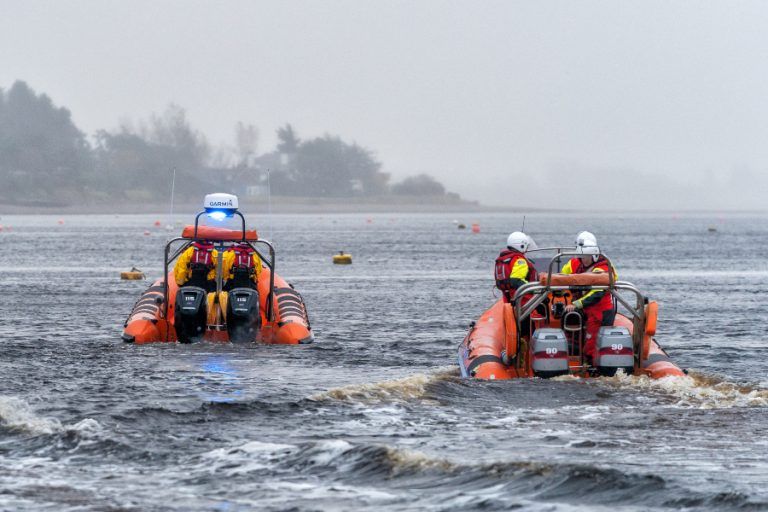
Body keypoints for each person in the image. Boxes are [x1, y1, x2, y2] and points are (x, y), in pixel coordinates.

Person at [563, 231, 618, 364]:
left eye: (585, 255)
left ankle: (592, 368)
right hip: (585, 310)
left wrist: (576, 304)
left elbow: (597, 293)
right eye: (581, 255)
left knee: (592, 345)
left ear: (593, 254)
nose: (583, 258)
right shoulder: (575, 263)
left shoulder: (603, 268)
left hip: (600, 312)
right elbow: (560, 276)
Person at [173, 240, 224, 342]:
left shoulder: (189, 252)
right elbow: (221, 273)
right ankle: (216, 321)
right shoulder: (215, 254)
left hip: (191, 284)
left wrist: (181, 283)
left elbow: (181, 270)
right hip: (208, 286)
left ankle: (185, 328)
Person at [494, 231, 538, 304]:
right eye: (526, 246)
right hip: (525, 301)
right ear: (521, 245)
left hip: (509, 299)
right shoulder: (519, 260)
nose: (527, 249)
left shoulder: (503, 259)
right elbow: (516, 280)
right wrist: (534, 290)